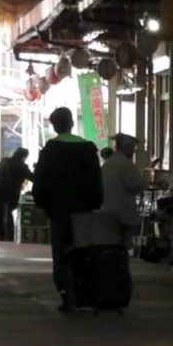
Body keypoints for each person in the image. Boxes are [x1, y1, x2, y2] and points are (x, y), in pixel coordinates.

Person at [32, 107, 103, 311]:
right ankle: (85, 294)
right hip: (83, 211)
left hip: (58, 211)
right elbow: (96, 181)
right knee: (83, 249)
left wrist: (41, 203)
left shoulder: (50, 150)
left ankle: (66, 295)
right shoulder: (87, 148)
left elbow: (40, 180)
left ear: (54, 126)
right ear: (72, 123)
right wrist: (96, 203)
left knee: (61, 253)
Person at [101, 133, 149, 247]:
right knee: (121, 245)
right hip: (122, 213)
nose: (133, 152)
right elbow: (137, 184)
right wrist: (146, 180)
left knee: (112, 244)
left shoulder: (109, 163)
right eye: (132, 148)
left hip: (107, 211)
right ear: (125, 147)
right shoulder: (124, 164)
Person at [0, 148, 33, 242]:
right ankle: (10, 236)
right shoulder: (22, 166)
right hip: (12, 193)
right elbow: (32, 177)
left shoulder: (4, 161)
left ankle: (0, 235)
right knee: (9, 214)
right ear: (24, 156)